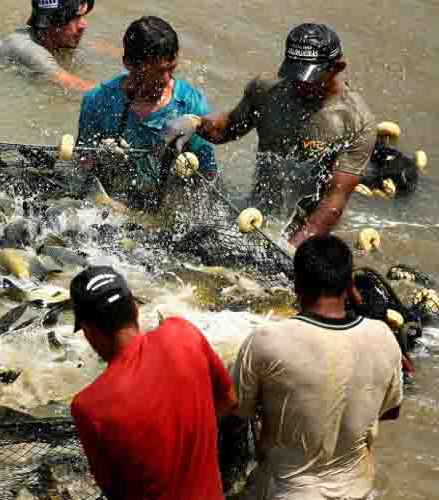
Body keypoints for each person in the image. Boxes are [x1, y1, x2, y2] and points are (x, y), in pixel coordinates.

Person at [161, 23, 376, 249]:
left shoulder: (356, 123)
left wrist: (289, 251)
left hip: (306, 232)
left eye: (308, 78)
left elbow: (332, 204)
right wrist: (194, 122)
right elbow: (225, 129)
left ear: (337, 67)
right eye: (294, 75)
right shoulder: (267, 91)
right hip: (256, 215)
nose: (299, 84)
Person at [231, 234, 403, 500]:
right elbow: (391, 411)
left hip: (287, 492)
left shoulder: (266, 340)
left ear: (296, 284)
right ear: (349, 286)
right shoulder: (383, 337)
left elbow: (235, 414)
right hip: (359, 491)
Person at [70, 266, 238, 500]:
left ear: (89, 332)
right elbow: (229, 400)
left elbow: (114, 490)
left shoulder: (88, 406)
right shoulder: (183, 334)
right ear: (136, 309)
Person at [75, 16, 217, 208]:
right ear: (128, 63)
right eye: (158, 71)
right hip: (112, 205)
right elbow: (80, 166)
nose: (166, 79)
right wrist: (100, 160)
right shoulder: (98, 101)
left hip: (165, 204)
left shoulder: (191, 106)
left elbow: (207, 174)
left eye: (171, 69)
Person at [0, 0, 96, 92]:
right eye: (76, 18)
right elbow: (75, 86)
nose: (83, 25)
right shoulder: (28, 49)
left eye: (84, 16)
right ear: (54, 22)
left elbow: (100, 47)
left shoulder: (60, 40)